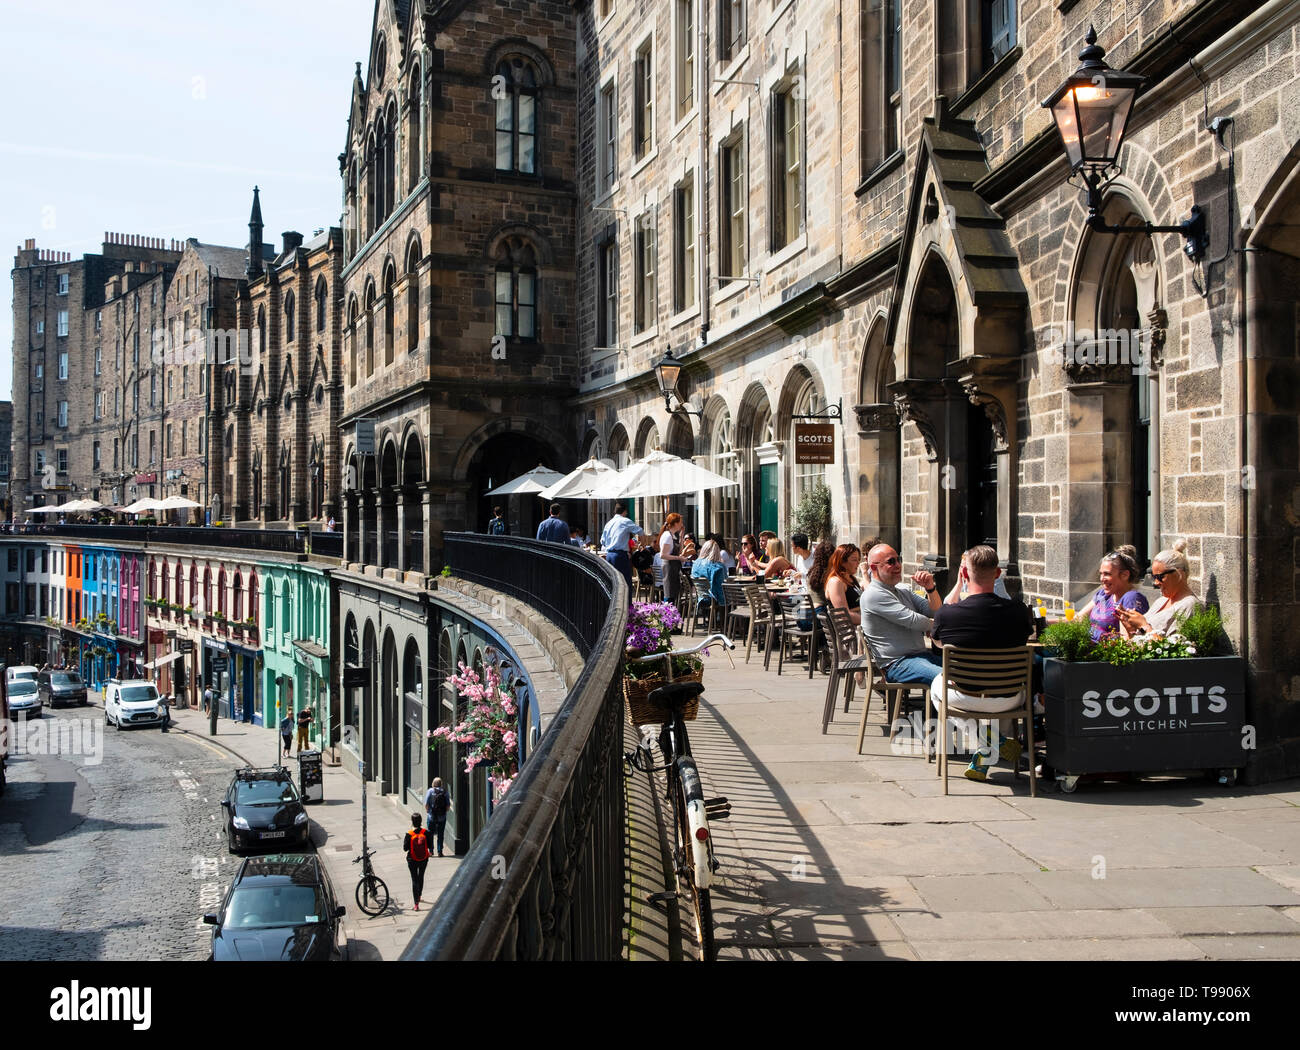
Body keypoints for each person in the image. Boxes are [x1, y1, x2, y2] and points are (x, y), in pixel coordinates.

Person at [928, 545, 1034, 782]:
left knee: (937, 685)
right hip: (1009, 698)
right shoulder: (1018, 611)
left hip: (964, 696)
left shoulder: (948, 614)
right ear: (998, 574)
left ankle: (988, 741)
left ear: (964, 575)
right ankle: (993, 743)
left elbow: (936, 643)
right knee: (1006, 679)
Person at [860, 543, 943, 683]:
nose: (898, 565)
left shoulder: (902, 590)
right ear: (874, 567)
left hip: (920, 656)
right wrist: (941, 626)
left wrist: (930, 588)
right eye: (891, 562)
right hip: (897, 663)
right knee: (945, 678)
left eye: (898, 560)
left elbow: (935, 611)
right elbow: (914, 621)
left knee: (962, 671)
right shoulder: (873, 595)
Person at [1117, 540, 1200, 639]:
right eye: (1153, 577)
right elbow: (1143, 637)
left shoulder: (1190, 605)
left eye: (1160, 577)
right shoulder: (1160, 601)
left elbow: (1176, 650)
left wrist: (1143, 625)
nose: (1156, 582)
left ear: (1179, 574)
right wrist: (1130, 628)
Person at [1075, 545, 1149, 642]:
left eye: (1107, 574)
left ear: (1125, 575)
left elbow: (1127, 640)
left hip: (1106, 654)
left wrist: (1098, 636)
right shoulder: (1103, 595)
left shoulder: (1131, 599)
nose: (1102, 579)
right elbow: (1077, 620)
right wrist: (1048, 623)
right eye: (1101, 574)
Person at [600, 501, 643, 589]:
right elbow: (640, 531)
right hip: (620, 556)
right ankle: (626, 603)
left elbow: (602, 541)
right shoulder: (625, 521)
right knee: (625, 583)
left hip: (609, 555)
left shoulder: (609, 523)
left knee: (612, 583)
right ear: (624, 511)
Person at [943, 550, 1010, 603]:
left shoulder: (994, 580)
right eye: (961, 567)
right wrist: (959, 583)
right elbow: (947, 604)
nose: (962, 571)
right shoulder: (964, 582)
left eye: (966, 568)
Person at [823, 543, 864, 627]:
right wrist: (872, 621)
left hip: (859, 626)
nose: (858, 563)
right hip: (848, 632)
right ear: (842, 562)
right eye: (854, 559)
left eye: (858, 559)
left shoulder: (853, 579)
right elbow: (843, 614)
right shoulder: (836, 582)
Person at [655, 512, 686, 608]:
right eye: (680, 522)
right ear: (675, 523)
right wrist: (679, 558)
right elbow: (663, 555)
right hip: (669, 567)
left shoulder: (673, 535)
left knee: (673, 593)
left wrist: (681, 537)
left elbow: (679, 551)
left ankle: (671, 615)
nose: (682, 524)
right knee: (669, 593)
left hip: (674, 567)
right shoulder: (667, 536)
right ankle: (667, 614)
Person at [404, 813, 432, 910]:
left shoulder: (409, 834)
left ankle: (416, 904)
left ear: (412, 822)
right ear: (421, 821)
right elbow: (430, 845)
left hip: (412, 860)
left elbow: (405, 848)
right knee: (421, 876)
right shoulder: (426, 832)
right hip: (424, 859)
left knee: (414, 880)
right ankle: (419, 895)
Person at [690, 539, 728, 610]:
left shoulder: (695, 564)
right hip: (713, 598)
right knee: (732, 598)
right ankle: (726, 620)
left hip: (700, 598)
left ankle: (711, 618)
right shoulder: (718, 567)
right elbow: (722, 585)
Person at [422, 777, 451, 857]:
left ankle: (431, 851)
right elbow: (448, 806)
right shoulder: (445, 792)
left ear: (433, 783)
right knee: (440, 834)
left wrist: (428, 812)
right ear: (441, 783)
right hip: (442, 817)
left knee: (430, 834)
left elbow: (426, 804)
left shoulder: (430, 791)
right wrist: (443, 812)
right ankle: (440, 851)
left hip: (432, 816)